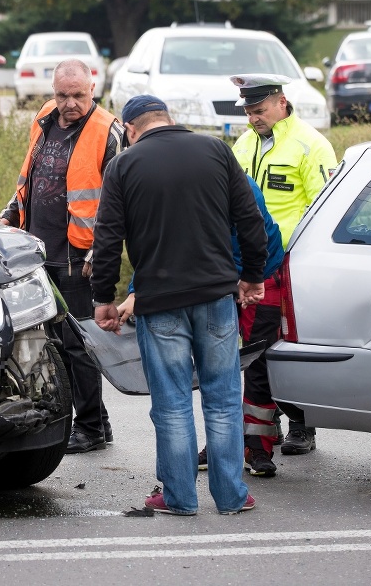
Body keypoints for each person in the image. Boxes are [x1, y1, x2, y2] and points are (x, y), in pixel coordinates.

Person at [92, 95, 267, 515]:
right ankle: (231, 496)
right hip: (216, 298)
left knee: (171, 404)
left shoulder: (124, 165)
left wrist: (104, 298)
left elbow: (108, 237)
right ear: (168, 119)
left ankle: (179, 497)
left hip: (160, 303)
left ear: (131, 129)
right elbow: (250, 219)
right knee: (223, 400)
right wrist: (253, 276)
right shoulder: (214, 150)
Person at [0, 59, 124, 454]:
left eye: (78, 95)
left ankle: (89, 429)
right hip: (37, 250)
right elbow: (31, 178)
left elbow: (118, 203)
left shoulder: (109, 132)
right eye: (61, 95)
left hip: (78, 256)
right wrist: (10, 215)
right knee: (50, 340)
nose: (69, 103)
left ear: (93, 88)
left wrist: (100, 252)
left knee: (78, 344)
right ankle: (97, 420)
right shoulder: (45, 118)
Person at [116, 175, 285, 477]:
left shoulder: (232, 183)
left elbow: (253, 236)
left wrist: (248, 279)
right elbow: (158, 246)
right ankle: (228, 461)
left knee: (256, 365)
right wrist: (135, 291)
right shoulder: (176, 186)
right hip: (217, 281)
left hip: (257, 273)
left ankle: (256, 445)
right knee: (220, 384)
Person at [230, 73, 338, 456]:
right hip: (251, 265)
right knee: (257, 347)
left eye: (259, 110)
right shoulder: (244, 145)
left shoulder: (311, 146)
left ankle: (301, 425)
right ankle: (262, 426)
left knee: (292, 344)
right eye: (247, 111)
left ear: (281, 101)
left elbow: (323, 208)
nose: (253, 118)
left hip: (292, 263)